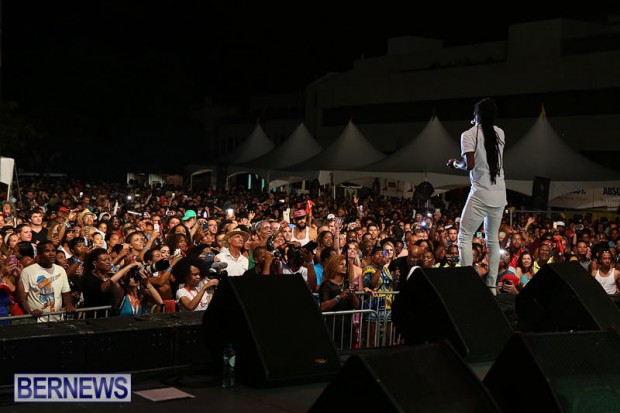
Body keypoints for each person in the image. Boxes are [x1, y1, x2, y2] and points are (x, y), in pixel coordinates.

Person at [447, 97, 507, 290]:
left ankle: (467, 283)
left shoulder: (468, 134)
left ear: (476, 114)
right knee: (493, 240)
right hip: (500, 194)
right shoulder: (500, 133)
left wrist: (455, 163)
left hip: (481, 193)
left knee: (464, 237)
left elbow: (470, 164)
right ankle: (491, 286)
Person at [19, 240, 75, 322]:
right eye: (47, 251)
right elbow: (23, 299)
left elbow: (66, 293)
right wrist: (30, 312)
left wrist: (69, 305)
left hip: (58, 319)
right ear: (39, 254)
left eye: (53, 251)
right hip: (37, 320)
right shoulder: (27, 271)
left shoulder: (60, 270)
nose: (51, 254)